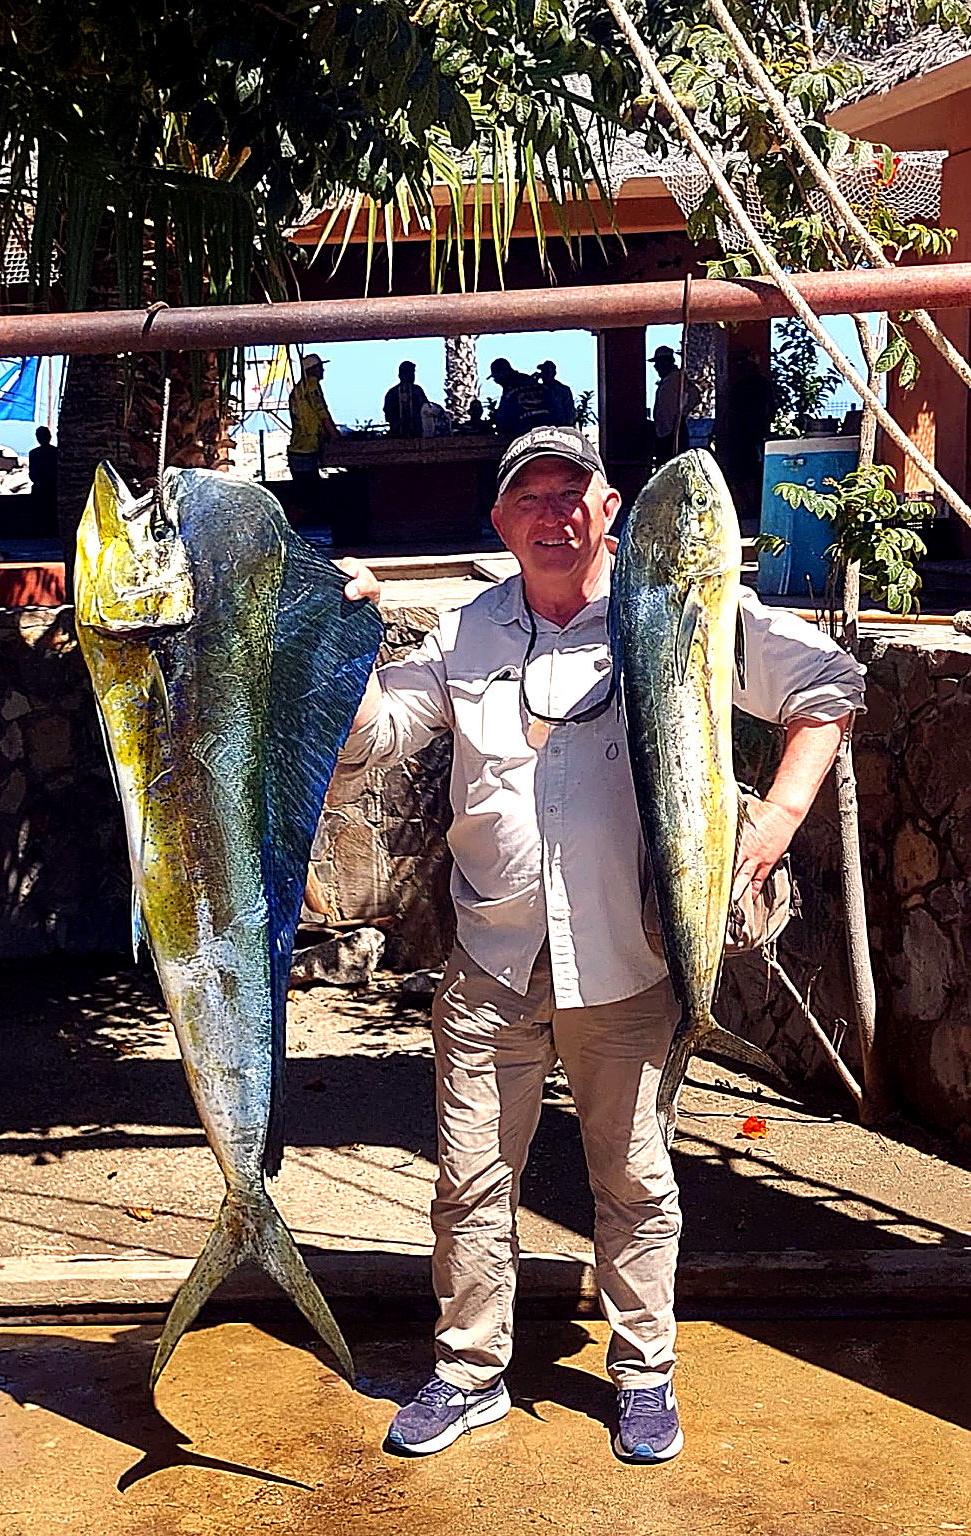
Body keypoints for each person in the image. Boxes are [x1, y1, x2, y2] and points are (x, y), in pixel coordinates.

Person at [335, 424, 863, 1465]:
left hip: (627, 961)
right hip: (491, 959)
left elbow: (829, 686)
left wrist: (776, 822)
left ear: (609, 509)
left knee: (631, 1182)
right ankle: (468, 1373)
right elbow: (370, 738)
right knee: (471, 1181)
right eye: (526, 496)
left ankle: (643, 1375)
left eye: (570, 492)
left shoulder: (679, 608)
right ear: (498, 521)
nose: (550, 513)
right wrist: (340, 642)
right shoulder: (463, 630)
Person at [716, 350, 776, 525]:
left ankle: (754, 506)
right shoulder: (741, 385)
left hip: (752, 435)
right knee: (740, 472)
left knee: (752, 472)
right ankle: (748, 506)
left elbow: (769, 408)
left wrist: (759, 426)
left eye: (743, 363)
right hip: (740, 436)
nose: (740, 367)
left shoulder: (757, 385)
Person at [287, 352, 339, 517]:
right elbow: (321, 412)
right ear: (312, 369)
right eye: (320, 367)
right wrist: (335, 435)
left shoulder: (298, 389)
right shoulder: (311, 386)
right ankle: (293, 522)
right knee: (307, 494)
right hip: (305, 448)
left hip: (299, 446)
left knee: (304, 490)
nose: (323, 370)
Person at [651, 345, 701, 465]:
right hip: (664, 431)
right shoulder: (668, 381)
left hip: (673, 431)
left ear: (666, 362)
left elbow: (695, 395)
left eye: (658, 363)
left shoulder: (678, 378)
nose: (656, 367)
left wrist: (681, 414)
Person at [488, 357, 553, 442]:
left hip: (526, 428)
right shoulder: (529, 380)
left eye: (496, 377)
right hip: (547, 424)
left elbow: (504, 415)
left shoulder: (511, 388)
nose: (496, 381)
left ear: (503, 372)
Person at [385, 361, 430, 438]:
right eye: (407, 373)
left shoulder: (417, 391)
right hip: (398, 434)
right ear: (400, 375)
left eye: (411, 373)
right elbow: (388, 414)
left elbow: (426, 409)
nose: (410, 376)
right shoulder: (393, 393)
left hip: (418, 433)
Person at [29, 425, 59, 537]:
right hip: (49, 486)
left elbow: (33, 473)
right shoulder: (55, 452)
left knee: (42, 512)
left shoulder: (35, 453)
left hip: (44, 486)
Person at [537, 360, 577, 428]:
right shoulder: (538, 391)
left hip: (561, 426)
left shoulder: (563, 390)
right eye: (543, 373)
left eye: (547, 372)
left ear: (553, 373)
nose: (545, 375)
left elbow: (570, 412)